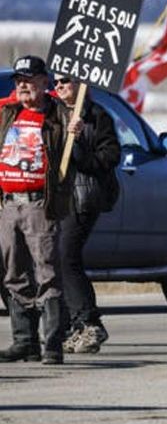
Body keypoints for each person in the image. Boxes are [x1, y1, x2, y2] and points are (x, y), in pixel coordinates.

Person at [0, 56, 75, 365]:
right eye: (19, 80)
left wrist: (77, 130)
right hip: (8, 203)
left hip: (38, 205)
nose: (23, 85)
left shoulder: (60, 116)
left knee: (47, 271)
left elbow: (79, 154)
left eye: (29, 80)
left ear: (46, 82)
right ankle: (24, 341)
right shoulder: (7, 113)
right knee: (13, 272)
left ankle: (53, 343)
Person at [56, 75, 121, 354]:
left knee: (66, 255)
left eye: (65, 82)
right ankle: (70, 326)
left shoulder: (96, 116)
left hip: (82, 196)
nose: (58, 87)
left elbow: (110, 156)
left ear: (82, 86)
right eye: (55, 82)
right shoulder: (52, 112)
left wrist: (79, 142)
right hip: (53, 197)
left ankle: (89, 322)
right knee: (53, 260)